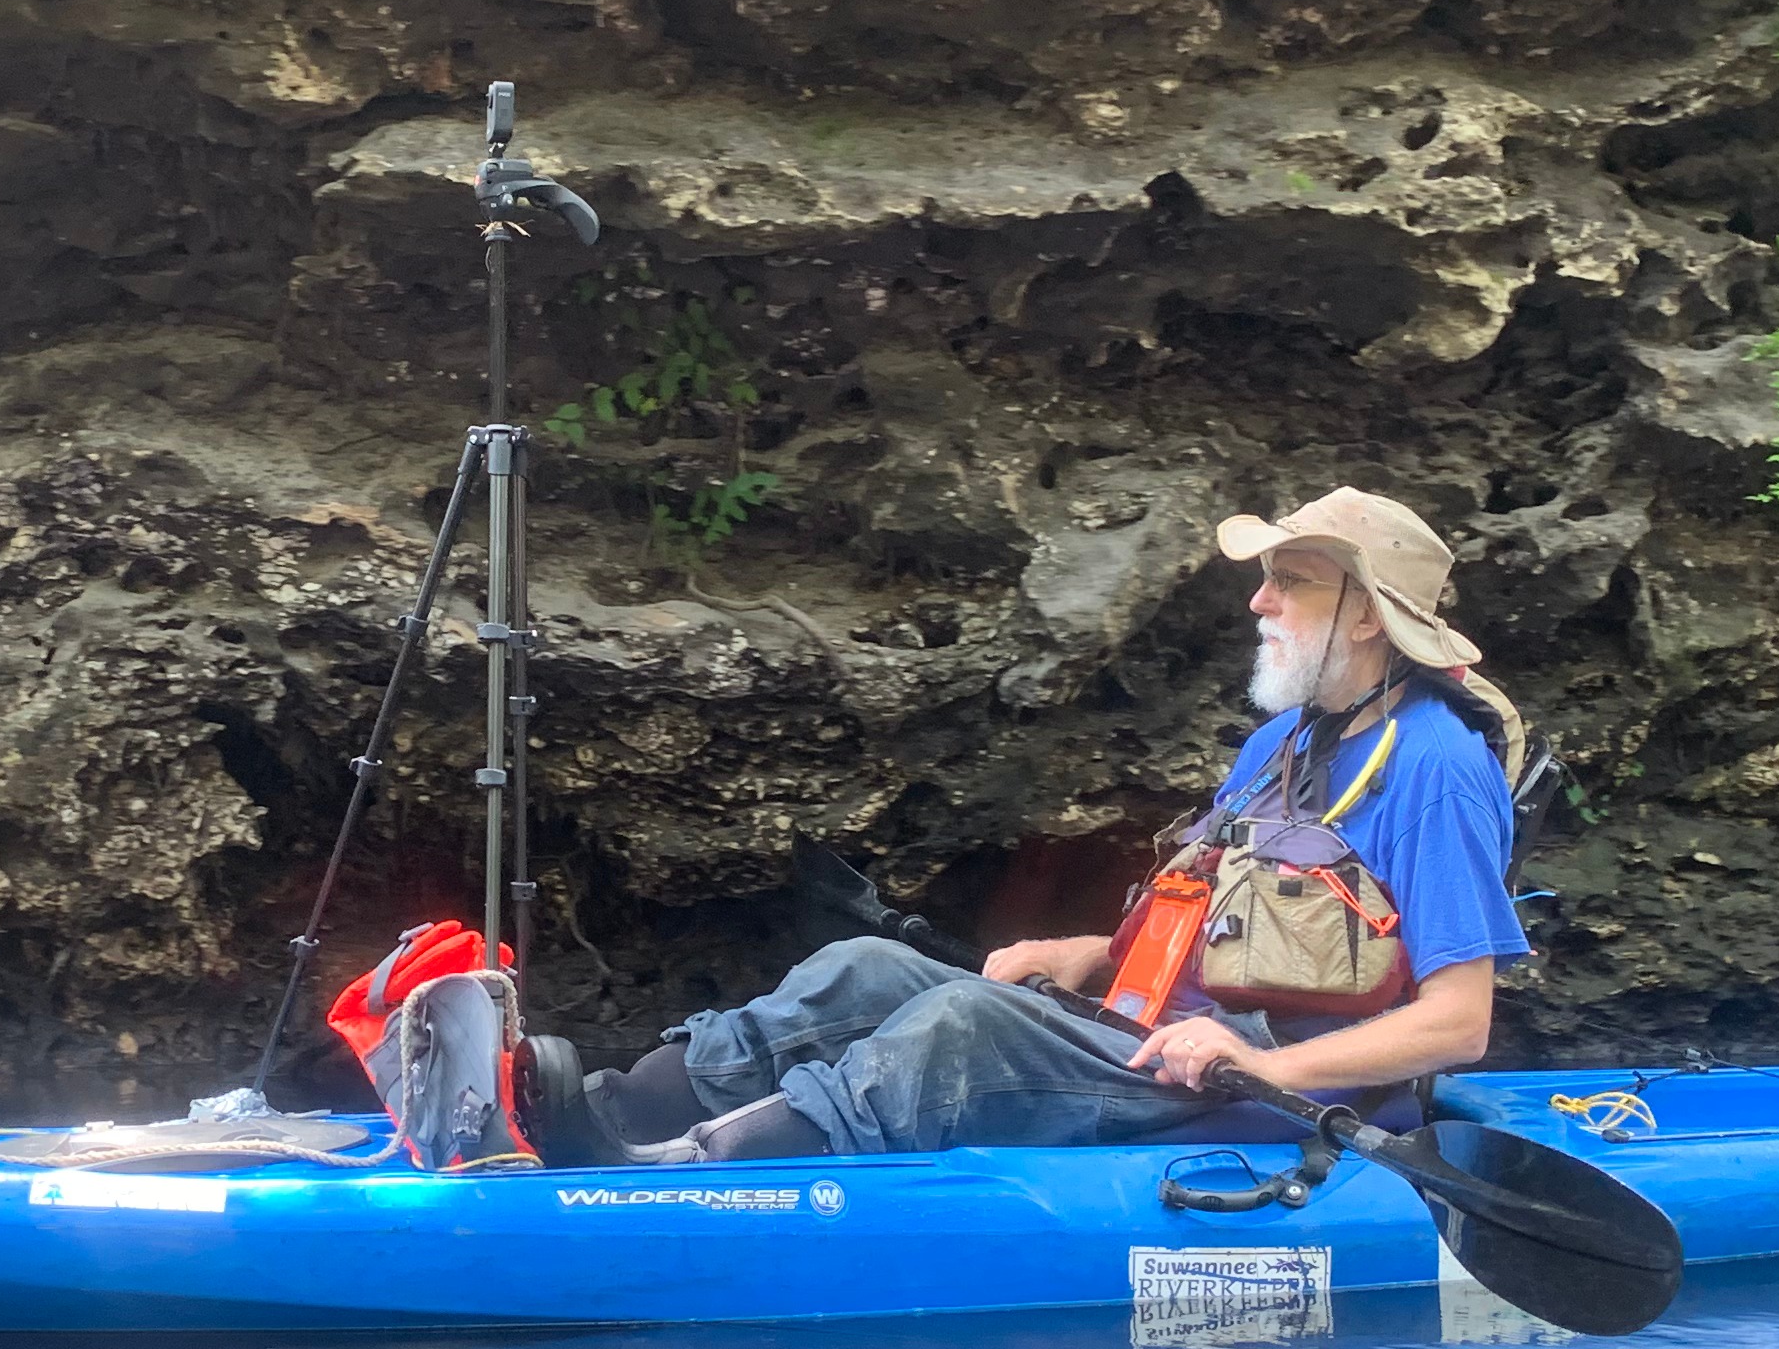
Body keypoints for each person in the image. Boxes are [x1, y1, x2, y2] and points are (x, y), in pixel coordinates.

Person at [519, 488, 1534, 1165]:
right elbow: (1228, 926)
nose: (1261, 599)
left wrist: (1266, 1068)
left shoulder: (1437, 767)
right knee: (865, 970)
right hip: (1147, 1042)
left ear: (1368, 617)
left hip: (1248, 1086)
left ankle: (666, 1174)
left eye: (1293, 581)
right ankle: (596, 1116)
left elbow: (1459, 1022)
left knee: (967, 1026)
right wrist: (1088, 953)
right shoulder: (1283, 746)